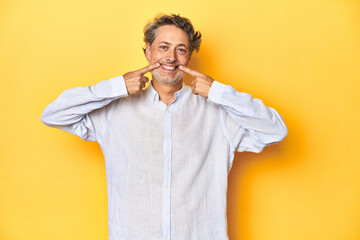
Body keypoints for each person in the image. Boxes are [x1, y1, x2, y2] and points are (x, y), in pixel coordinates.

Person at [41, 14, 287, 240]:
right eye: (163, 47)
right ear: (148, 51)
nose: (171, 58)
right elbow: (54, 114)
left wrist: (219, 92)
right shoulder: (114, 110)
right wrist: (116, 87)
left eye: (181, 49)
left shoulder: (218, 112)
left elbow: (275, 131)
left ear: (189, 56)